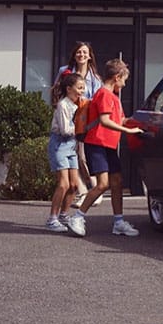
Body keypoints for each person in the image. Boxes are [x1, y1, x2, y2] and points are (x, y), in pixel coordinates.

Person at [66, 58, 144, 237]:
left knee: (117, 182)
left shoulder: (114, 98)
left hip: (108, 145)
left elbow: (121, 119)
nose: (124, 84)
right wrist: (128, 131)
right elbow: (104, 120)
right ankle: (77, 217)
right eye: (124, 79)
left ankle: (118, 222)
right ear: (117, 77)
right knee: (102, 184)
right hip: (97, 144)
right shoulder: (104, 95)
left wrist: (141, 121)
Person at [55, 42, 103, 208]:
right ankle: (84, 192)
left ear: (90, 56)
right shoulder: (65, 71)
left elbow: (99, 100)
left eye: (85, 52)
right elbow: (56, 90)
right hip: (67, 117)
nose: (81, 55)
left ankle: (95, 190)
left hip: (85, 120)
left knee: (82, 157)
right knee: (73, 157)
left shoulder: (95, 78)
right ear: (74, 54)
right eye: (78, 52)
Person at [45, 72, 86, 232]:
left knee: (74, 185)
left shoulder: (78, 105)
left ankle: (63, 214)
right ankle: (52, 218)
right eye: (79, 88)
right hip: (59, 145)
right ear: (69, 89)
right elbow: (64, 130)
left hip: (71, 146)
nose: (82, 91)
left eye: (83, 88)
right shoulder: (63, 105)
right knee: (63, 184)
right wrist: (82, 127)